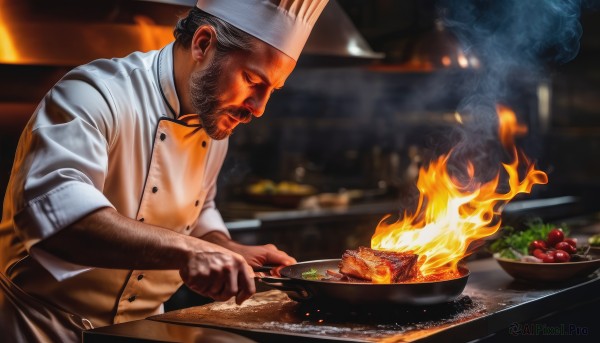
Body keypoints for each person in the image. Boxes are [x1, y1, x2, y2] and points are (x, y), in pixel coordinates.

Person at [0, 0, 329, 341]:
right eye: (251, 80)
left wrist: (227, 249)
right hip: (42, 328)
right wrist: (191, 251)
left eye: (271, 91)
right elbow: (61, 222)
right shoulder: (95, 96)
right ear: (203, 43)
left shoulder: (214, 122)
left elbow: (197, 215)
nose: (259, 109)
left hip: (143, 332)